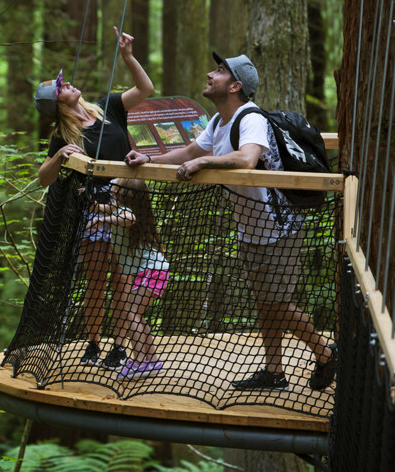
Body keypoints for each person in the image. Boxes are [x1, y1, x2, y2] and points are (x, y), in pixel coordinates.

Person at [125, 52, 338, 391]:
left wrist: (205, 163)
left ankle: (325, 351)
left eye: (220, 71)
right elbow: (189, 152)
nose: (211, 74)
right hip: (251, 227)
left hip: (279, 226)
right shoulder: (218, 121)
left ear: (235, 85)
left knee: (276, 303)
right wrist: (149, 157)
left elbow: (248, 157)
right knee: (265, 304)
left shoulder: (249, 117)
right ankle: (274, 372)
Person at [35, 27, 154, 367]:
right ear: (58, 102)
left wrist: (128, 58)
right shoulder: (62, 135)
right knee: (98, 280)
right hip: (93, 214)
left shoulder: (108, 108)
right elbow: (44, 179)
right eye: (63, 87)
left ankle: (119, 346)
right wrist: (59, 157)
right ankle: (93, 343)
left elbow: (146, 89)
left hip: (128, 206)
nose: (69, 84)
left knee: (124, 280)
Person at [88, 178, 169, 378]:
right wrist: (88, 199)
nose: (113, 185)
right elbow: (102, 208)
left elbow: (128, 218)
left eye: (117, 186)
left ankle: (141, 361)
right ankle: (151, 360)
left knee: (131, 312)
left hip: (152, 271)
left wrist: (102, 220)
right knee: (135, 313)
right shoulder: (117, 207)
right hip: (152, 271)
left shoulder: (128, 212)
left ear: (126, 194)